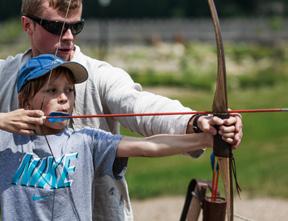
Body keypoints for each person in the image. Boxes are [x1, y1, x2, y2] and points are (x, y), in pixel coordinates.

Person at [0, 0, 243, 220]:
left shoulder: (98, 83)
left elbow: (140, 107)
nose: (69, 37)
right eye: (56, 27)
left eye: (77, 27)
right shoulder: (5, 78)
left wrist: (199, 123)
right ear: (27, 25)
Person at [1, 54, 223, 220]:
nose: (63, 99)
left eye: (69, 90)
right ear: (25, 101)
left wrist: (205, 140)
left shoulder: (85, 141)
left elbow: (149, 146)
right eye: (52, 91)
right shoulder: (6, 142)